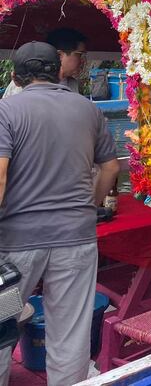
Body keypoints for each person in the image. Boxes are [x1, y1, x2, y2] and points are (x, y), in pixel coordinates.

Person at [0, 42, 119, 385]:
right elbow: (110, 169)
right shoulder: (88, 110)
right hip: (76, 240)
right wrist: (91, 207)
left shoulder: (6, 112)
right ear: (58, 70)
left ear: (15, 77)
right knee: (70, 332)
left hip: (16, 246)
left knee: (3, 322)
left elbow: (1, 174)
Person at [2, 28, 87, 99]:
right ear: (59, 55)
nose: (83, 60)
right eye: (79, 54)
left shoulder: (72, 84)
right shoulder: (26, 81)